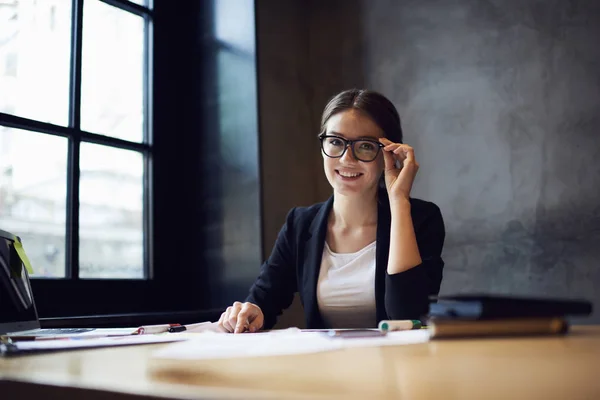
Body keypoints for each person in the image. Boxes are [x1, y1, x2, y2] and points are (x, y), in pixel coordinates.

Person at [218, 88, 445, 333]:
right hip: (325, 368)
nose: (347, 159)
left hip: (398, 367)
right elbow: (263, 301)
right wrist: (249, 312)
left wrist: (399, 200)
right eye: (336, 142)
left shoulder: (422, 220)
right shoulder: (300, 225)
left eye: (366, 146)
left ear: (389, 153)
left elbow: (409, 317)